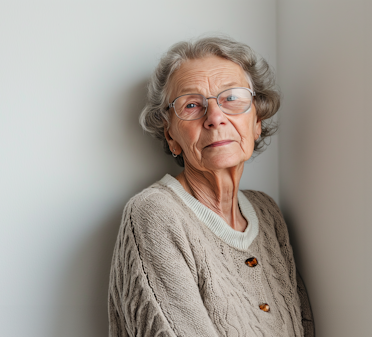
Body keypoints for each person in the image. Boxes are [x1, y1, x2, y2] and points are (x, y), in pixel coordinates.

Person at [108, 37, 314, 336]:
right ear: (171, 135)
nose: (215, 118)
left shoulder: (267, 212)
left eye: (232, 98)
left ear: (257, 120)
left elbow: (304, 324)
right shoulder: (155, 213)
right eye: (192, 105)